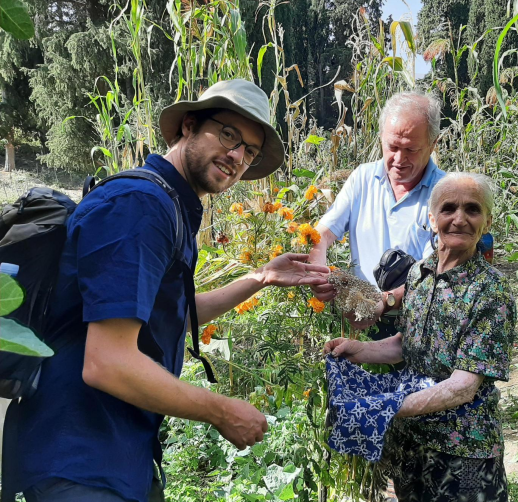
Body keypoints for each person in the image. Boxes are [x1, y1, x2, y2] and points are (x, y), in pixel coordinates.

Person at [2, 79, 330, 502]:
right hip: (78, 460)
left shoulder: (167, 204)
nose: (236, 156)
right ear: (188, 125)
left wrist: (260, 278)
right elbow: (107, 362)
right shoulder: (141, 205)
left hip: (114, 456)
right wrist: (222, 411)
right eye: (228, 134)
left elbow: (167, 314)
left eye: (248, 151)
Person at [324, 172, 516, 502]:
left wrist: (386, 406)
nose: (459, 219)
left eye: (472, 209)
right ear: (431, 217)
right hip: (412, 444)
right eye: (448, 208)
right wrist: (359, 349)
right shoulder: (419, 273)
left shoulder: (491, 292)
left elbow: (462, 387)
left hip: (462, 453)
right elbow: (408, 344)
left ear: (487, 221)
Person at [308, 91, 446, 337]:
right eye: (392, 146)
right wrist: (318, 273)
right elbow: (323, 233)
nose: (399, 159)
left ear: (433, 144)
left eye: (411, 150)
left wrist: (386, 301)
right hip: (360, 321)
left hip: (418, 329)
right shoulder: (363, 178)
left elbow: (437, 272)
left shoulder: (446, 194)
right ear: (381, 137)